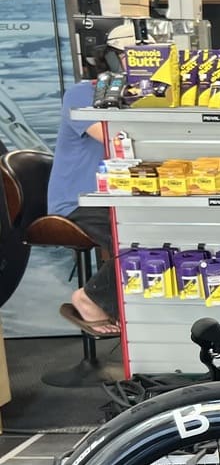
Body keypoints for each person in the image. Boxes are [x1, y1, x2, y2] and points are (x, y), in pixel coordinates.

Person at [52, 23, 133, 337]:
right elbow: (114, 138)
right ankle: (90, 297)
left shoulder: (135, 97)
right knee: (132, 236)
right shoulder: (80, 94)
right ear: (112, 59)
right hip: (79, 202)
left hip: (118, 197)